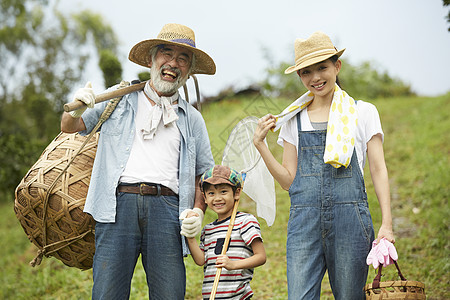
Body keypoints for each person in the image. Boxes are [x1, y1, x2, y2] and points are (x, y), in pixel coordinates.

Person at [61, 23, 216, 299]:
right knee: (107, 293)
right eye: (166, 54)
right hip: (117, 207)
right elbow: (69, 126)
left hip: (168, 211)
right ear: (151, 59)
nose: (173, 64)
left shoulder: (192, 119)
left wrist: (197, 211)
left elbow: (202, 175)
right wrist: (77, 104)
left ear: (189, 71)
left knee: (170, 294)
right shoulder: (117, 99)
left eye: (183, 59)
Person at [253, 31, 395, 299]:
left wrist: (386, 224)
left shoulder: (361, 112)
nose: (315, 77)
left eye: (322, 68)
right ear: (299, 76)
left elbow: (378, 169)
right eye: (306, 72)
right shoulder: (292, 119)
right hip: (304, 226)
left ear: (336, 66)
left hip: (350, 223)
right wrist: (261, 145)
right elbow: (288, 181)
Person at [182, 165, 266, 300]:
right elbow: (201, 260)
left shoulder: (245, 221)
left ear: (237, 193)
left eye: (223, 192)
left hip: (238, 295)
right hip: (212, 295)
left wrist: (233, 265)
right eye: (211, 193)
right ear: (204, 197)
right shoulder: (208, 230)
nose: (217, 198)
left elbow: (261, 256)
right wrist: (190, 237)